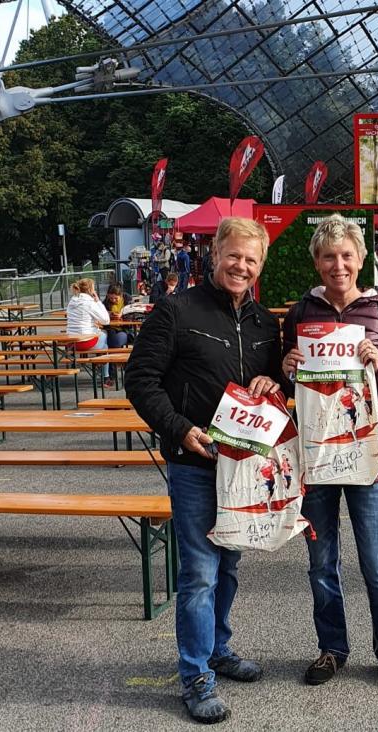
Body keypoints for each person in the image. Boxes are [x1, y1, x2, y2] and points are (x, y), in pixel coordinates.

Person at [125, 217, 283, 724]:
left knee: (229, 567)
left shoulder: (264, 323)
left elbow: (276, 380)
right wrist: (178, 429)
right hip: (194, 463)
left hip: (243, 469)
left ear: (260, 266)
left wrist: (272, 381)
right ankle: (195, 676)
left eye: (251, 260)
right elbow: (140, 379)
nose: (241, 266)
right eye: (233, 255)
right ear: (215, 254)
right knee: (199, 573)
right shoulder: (176, 310)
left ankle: (216, 649)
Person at [280, 213, 378, 691]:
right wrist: (286, 367)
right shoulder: (301, 313)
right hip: (317, 456)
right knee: (321, 563)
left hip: (369, 456)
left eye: (346, 256)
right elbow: (286, 384)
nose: (337, 265)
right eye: (328, 257)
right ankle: (332, 648)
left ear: (361, 259)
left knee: (377, 563)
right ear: (316, 262)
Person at [66, 278, 112, 387]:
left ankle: (100, 365)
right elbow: (106, 320)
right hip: (86, 342)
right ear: (91, 290)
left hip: (71, 343)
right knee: (104, 339)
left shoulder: (72, 301)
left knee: (103, 344)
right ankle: (105, 376)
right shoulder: (90, 303)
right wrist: (98, 301)